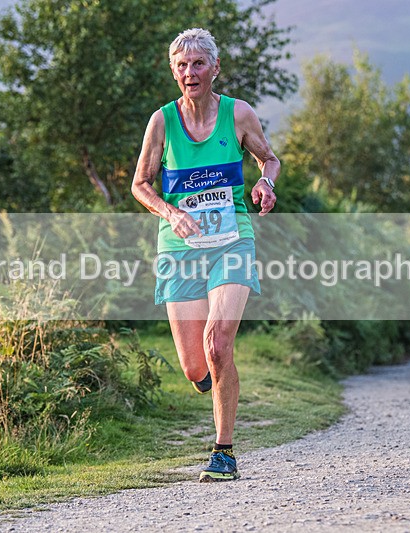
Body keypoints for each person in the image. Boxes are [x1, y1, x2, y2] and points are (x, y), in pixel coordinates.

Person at [131, 28, 279, 482]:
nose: (189, 72)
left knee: (218, 345)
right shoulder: (162, 122)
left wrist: (264, 183)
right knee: (196, 364)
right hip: (180, 248)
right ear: (173, 71)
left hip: (232, 241)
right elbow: (140, 184)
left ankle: (224, 451)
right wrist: (170, 212)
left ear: (215, 68)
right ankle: (215, 380)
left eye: (198, 64)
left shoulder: (238, 114)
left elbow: (268, 159)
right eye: (181, 65)